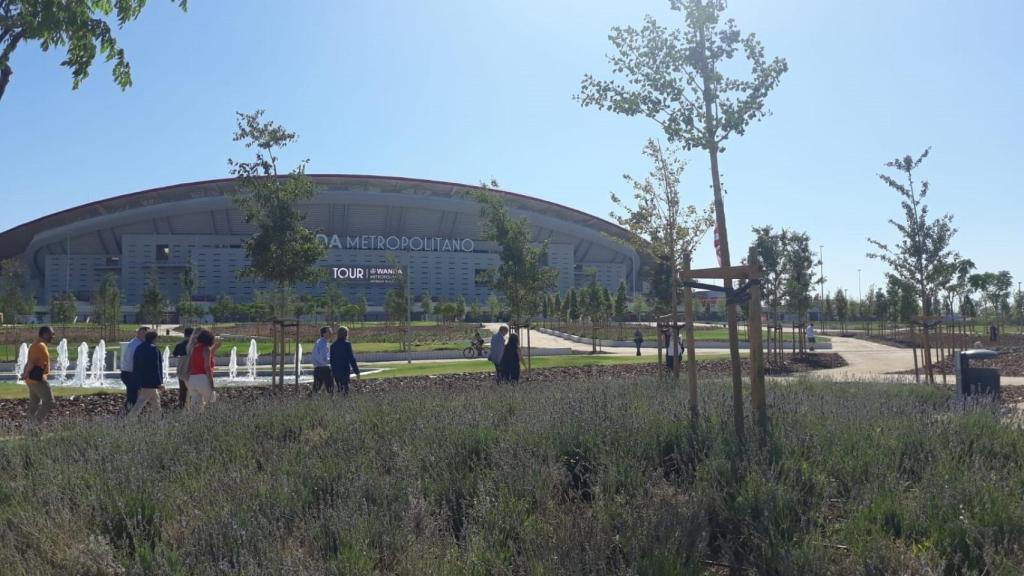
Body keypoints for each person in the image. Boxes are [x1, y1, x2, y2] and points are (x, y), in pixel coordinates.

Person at [22, 326, 55, 425]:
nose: (53, 336)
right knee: (49, 401)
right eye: (51, 334)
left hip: (31, 379)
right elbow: (32, 362)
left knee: (35, 403)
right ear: (45, 334)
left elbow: (30, 361)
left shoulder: (38, 344)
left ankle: (29, 426)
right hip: (37, 379)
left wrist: (25, 374)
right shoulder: (40, 346)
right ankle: (35, 426)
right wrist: (26, 373)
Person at [129, 331, 163, 419]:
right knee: (141, 402)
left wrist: (136, 380)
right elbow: (156, 367)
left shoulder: (139, 348)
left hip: (142, 380)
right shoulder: (154, 349)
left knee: (156, 401)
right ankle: (129, 420)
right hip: (150, 382)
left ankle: (159, 420)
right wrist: (159, 382)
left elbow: (135, 365)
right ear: (154, 338)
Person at [120, 326, 148, 412]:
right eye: (146, 334)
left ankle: (128, 412)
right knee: (133, 396)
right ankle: (129, 414)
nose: (147, 337)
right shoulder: (137, 345)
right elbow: (137, 362)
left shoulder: (134, 342)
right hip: (131, 373)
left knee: (132, 395)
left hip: (127, 372)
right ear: (140, 334)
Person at [186, 329, 216, 410]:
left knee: (196, 407)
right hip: (202, 378)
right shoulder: (206, 349)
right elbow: (207, 367)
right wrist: (212, 384)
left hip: (192, 379)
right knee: (212, 403)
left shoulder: (194, 348)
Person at [330, 326, 360, 395]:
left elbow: (332, 360)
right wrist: (357, 371)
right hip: (344, 370)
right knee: (345, 389)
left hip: (336, 370)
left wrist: (333, 371)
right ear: (346, 334)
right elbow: (351, 359)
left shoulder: (333, 345)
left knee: (339, 388)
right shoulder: (347, 344)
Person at [172, 327, 194, 408]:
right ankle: (192, 407)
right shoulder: (195, 345)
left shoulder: (179, 345)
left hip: (182, 370)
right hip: (192, 371)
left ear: (184, 334)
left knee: (183, 390)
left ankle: (182, 406)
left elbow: (174, 354)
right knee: (193, 390)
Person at [312, 326, 333, 393]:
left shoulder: (319, 342)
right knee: (330, 390)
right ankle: (333, 403)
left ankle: (308, 400)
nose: (331, 333)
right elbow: (324, 358)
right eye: (329, 331)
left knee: (315, 389)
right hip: (324, 369)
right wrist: (332, 361)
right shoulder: (323, 344)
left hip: (317, 369)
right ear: (323, 334)